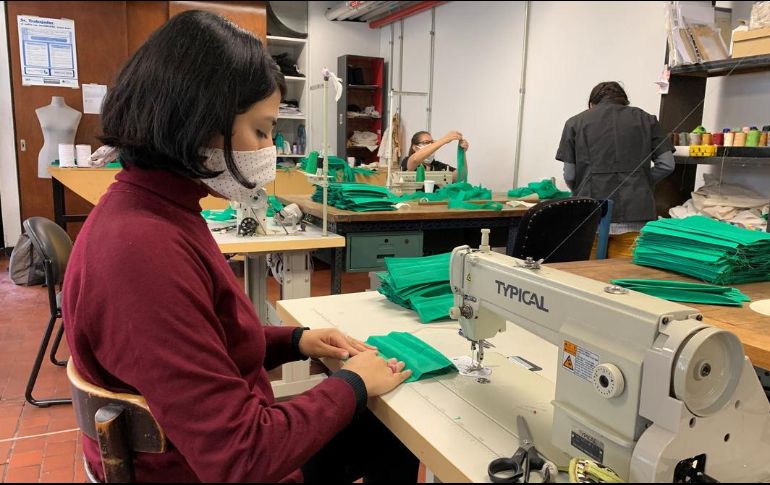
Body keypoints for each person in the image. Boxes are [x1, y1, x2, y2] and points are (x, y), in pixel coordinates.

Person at [63, 11, 417, 483]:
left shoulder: (154, 211)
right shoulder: (142, 253)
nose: (268, 149)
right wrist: (352, 384)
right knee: (389, 428)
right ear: (199, 120)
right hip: (206, 470)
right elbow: (241, 459)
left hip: (205, 451)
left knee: (378, 428)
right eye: (261, 130)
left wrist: (294, 340)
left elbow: (202, 341)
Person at [556, 81, 675, 257]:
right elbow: (667, 164)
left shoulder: (575, 123)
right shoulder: (647, 119)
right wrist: (642, 181)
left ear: (591, 104)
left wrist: (580, 191)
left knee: (587, 278)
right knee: (623, 277)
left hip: (590, 215)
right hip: (636, 213)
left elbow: (570, 174)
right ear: (624, 101)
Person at [401, 130, 470, 181]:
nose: (431, 145)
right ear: (415, 147)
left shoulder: (438, 166)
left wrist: (462, 153)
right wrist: (444, 139)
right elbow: (415, 160)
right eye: (426, 142)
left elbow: (461, 176)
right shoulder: (407, 161)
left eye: (432, 142)